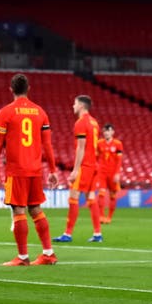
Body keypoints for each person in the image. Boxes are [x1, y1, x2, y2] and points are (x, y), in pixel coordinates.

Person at [0, 73, 59, 266]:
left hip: (16, 170)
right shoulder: (40, 112)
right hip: (35, 170)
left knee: (18, 210)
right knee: (36, 209)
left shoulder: (6, 112)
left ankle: (23, 256)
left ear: (11, 89)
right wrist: (52, 170)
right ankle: (48, 253)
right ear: (29, 89)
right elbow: (48, 146)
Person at [53, 95, 103, 243]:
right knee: (91, 198)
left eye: (74, 103)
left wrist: (75, 170)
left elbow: (81, 148)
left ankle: (67, 234)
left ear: (81, 105)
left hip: (85, 166)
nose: (73, 106)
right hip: (94, 165)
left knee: (73, 197)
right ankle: (97, 234)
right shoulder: (94, 122)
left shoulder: (81, 123)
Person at [96, 123, 123, 224]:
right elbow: (96, 158)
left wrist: (117, 173)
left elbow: (119, 160)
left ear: (113, 132)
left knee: (113, 195)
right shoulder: (99, 143)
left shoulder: (118, 144)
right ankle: (101, 216)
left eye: (108, 131)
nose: (106, 133)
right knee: (101, 194)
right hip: (102, 172)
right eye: (105, 131)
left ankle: (109, 217)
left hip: (113, 173)